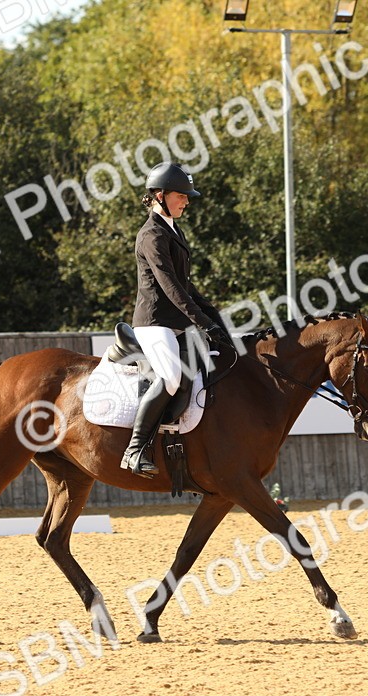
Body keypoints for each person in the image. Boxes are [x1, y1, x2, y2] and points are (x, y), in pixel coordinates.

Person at [121, 162, 232, 477]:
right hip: (155, 322)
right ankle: (135, 449)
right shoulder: (151, 235)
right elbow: (169, 285)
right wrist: (200, 321)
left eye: (187, 196)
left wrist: (214, 317)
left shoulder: (173, 229)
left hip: (177, 324)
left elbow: (186, 285)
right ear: (159, 195)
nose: (186, 201)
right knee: (171, 376)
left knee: (214, 361)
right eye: (180, 195)